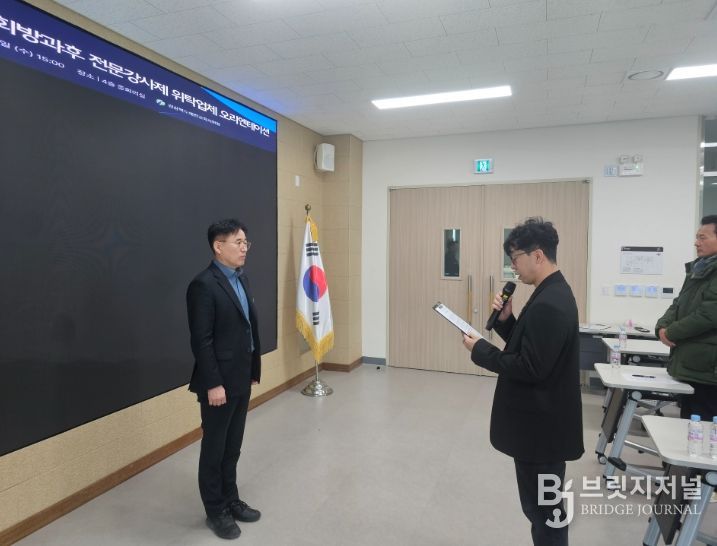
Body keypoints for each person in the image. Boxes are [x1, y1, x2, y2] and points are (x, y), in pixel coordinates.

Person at [462, 217, 584, 546]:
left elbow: (530, 367)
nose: (513, 267)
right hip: (541, 428)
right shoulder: (549, 292)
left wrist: (481, 350)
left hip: (541, 432)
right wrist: (506, 321)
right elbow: (533, 347)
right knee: (542, 511)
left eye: (515, 258)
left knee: (545, 513)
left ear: (538, 255)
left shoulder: (551, 303)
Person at [186, 219, 262, 540]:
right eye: (238, 242)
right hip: (218, 383)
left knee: (233, 447)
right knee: (214, 449)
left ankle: (231, 499)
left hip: (241, 377)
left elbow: (247, 329)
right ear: (219, 246)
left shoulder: (240, 279)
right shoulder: (203, 285)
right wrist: (213, 383)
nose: (244, 248)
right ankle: (215, 510)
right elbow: (201, 340)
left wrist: (252, 370)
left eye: (246, 242)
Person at [655, 214, 717, 420]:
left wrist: (671, 332)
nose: (696, 243)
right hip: (692, 364)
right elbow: (679, 303)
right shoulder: (700, 268)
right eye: (697, 237)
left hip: (708, 369)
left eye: (702, 237)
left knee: (705, 426)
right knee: (690, 423)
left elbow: (708, 315)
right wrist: (662, 327)